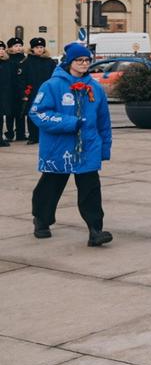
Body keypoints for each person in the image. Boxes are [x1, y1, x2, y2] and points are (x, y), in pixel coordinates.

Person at [27, 43, 113, 245]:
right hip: (59, 148)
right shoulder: (52, 86)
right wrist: (70, 123)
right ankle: (42, 219)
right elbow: (38, 113)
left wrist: (105, 146)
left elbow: (104, 121)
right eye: (79, 60)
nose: (84, 64)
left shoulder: (95, 88)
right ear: (69, 62)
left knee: (91, 188)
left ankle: (95, 230)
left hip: (88, 147)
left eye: (87, 60)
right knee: (50, 185)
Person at [21, 38, 56, 146]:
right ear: (32, 49)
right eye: (37, 47)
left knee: (46, 113)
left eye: (41, 47)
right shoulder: (27, 62)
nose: (40, 49)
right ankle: (33, 136)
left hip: (47, 92)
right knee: (32, 114)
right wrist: (25, 93)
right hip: (32, 92)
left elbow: (54, 77)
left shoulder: (49, 62)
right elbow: (22, 78)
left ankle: (44, 135)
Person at [5, 37, 27, 142]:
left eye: (20, 45)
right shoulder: (7, 59)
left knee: (21, 113)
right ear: (10, 48)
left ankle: (20, 134)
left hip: (21, 90)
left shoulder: (25, 59)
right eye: (15, 46)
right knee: (10, 114)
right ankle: (9, 133)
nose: (18, 48)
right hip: (10, 90)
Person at [0, 47, 11, 147]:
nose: (1, 51)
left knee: (0, 117)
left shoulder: (6, 63)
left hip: (3, 93)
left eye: (3, 48)